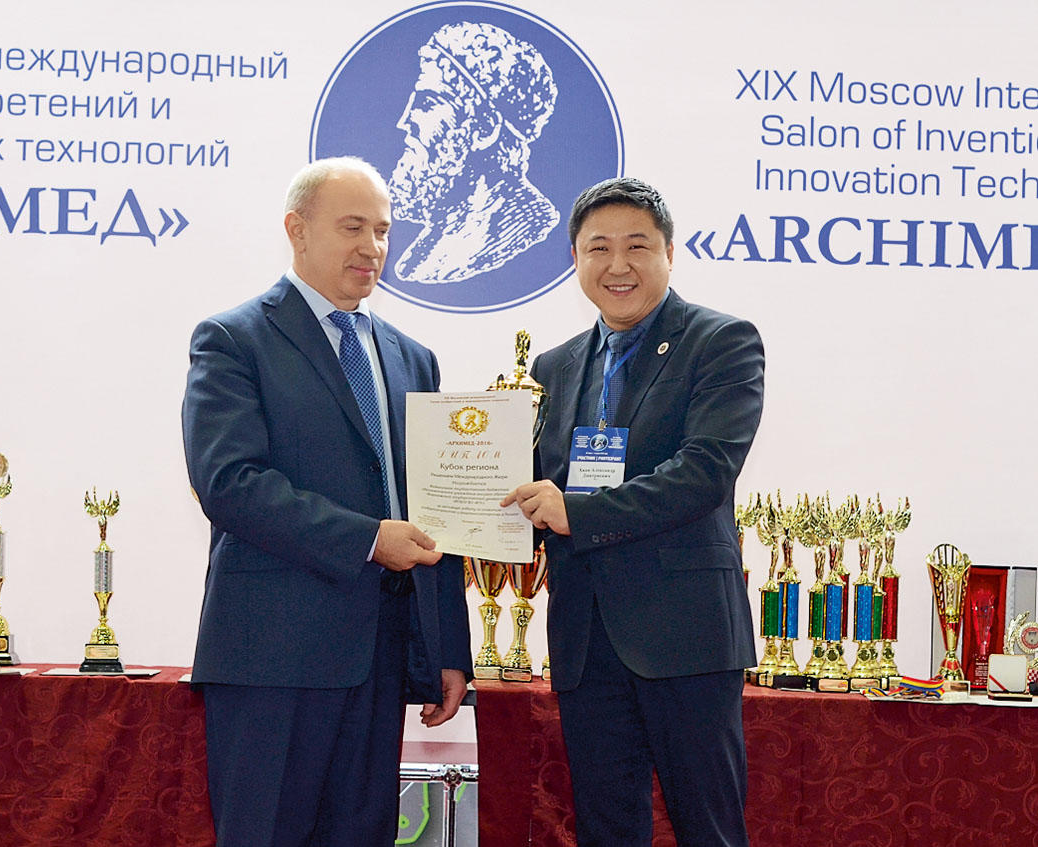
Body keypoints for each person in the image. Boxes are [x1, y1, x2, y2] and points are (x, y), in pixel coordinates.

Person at [181, 156, 472, 847]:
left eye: (383, 231)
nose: (372, 247)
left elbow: (434, 506)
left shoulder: (412, 357)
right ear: (297, 229)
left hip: (380, 658)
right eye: (352, 227)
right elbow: (229, 481)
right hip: (272, 659)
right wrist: (369, 538)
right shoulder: (234, 340)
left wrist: (447, 648)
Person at [502, 177, 764, 846]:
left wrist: (576, 513)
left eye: (637, 246)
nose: (617, 264)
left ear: (670, 252)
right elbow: (537, 486)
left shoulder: (721, 342)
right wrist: (472, 496)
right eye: (599, 248)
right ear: (575, 258)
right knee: (605, 831)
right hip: (587, 641)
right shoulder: (555, 367)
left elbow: (704, 472)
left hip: (685, 638)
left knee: (709, 829)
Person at [388, 21, 559, 283]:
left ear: (484, 128)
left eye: (428, 102)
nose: (405, 120)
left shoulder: (524, 225)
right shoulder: (429, 244)